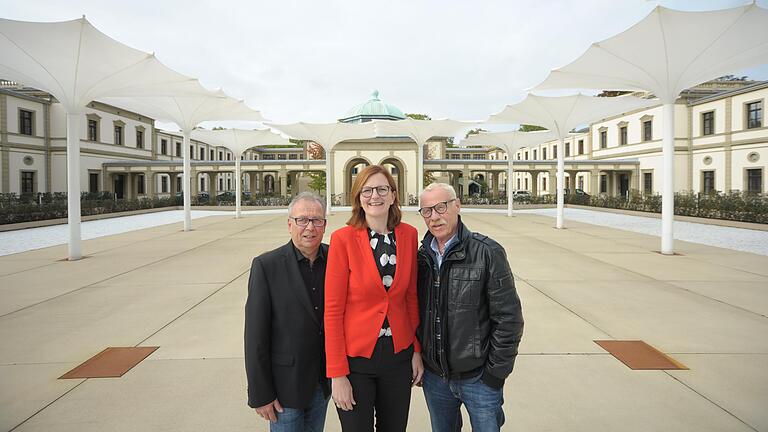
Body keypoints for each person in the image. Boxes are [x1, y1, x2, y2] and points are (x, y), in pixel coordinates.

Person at [416, 182, 524, 432]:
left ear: (457, 206)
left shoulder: (487, 252)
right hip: (436, 379)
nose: (434, 216)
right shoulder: (421, 258)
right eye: (427, 211)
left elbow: (509, 318)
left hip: (479, 379)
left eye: (440, 207)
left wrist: (495, 375)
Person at [325, 165, 423, 432]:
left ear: (393, 195)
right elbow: (332, 311)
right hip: (356, 362)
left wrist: (416, 349)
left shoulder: (409, 235)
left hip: (398, 358)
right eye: (366, 190)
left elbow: (411, 298)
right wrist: (337, 374)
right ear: (358, 197)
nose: (374, 196)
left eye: (382, 189)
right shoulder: (342, 239)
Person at [244, 192, 330, 432]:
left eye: (317, 220)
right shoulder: (266, 266)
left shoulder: (336, 259)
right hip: (284, 389)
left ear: (325, 224)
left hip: (322, 384)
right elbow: (255, 336)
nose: (309, 227)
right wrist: (260, 393)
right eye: (302, 220)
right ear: (289, 224)